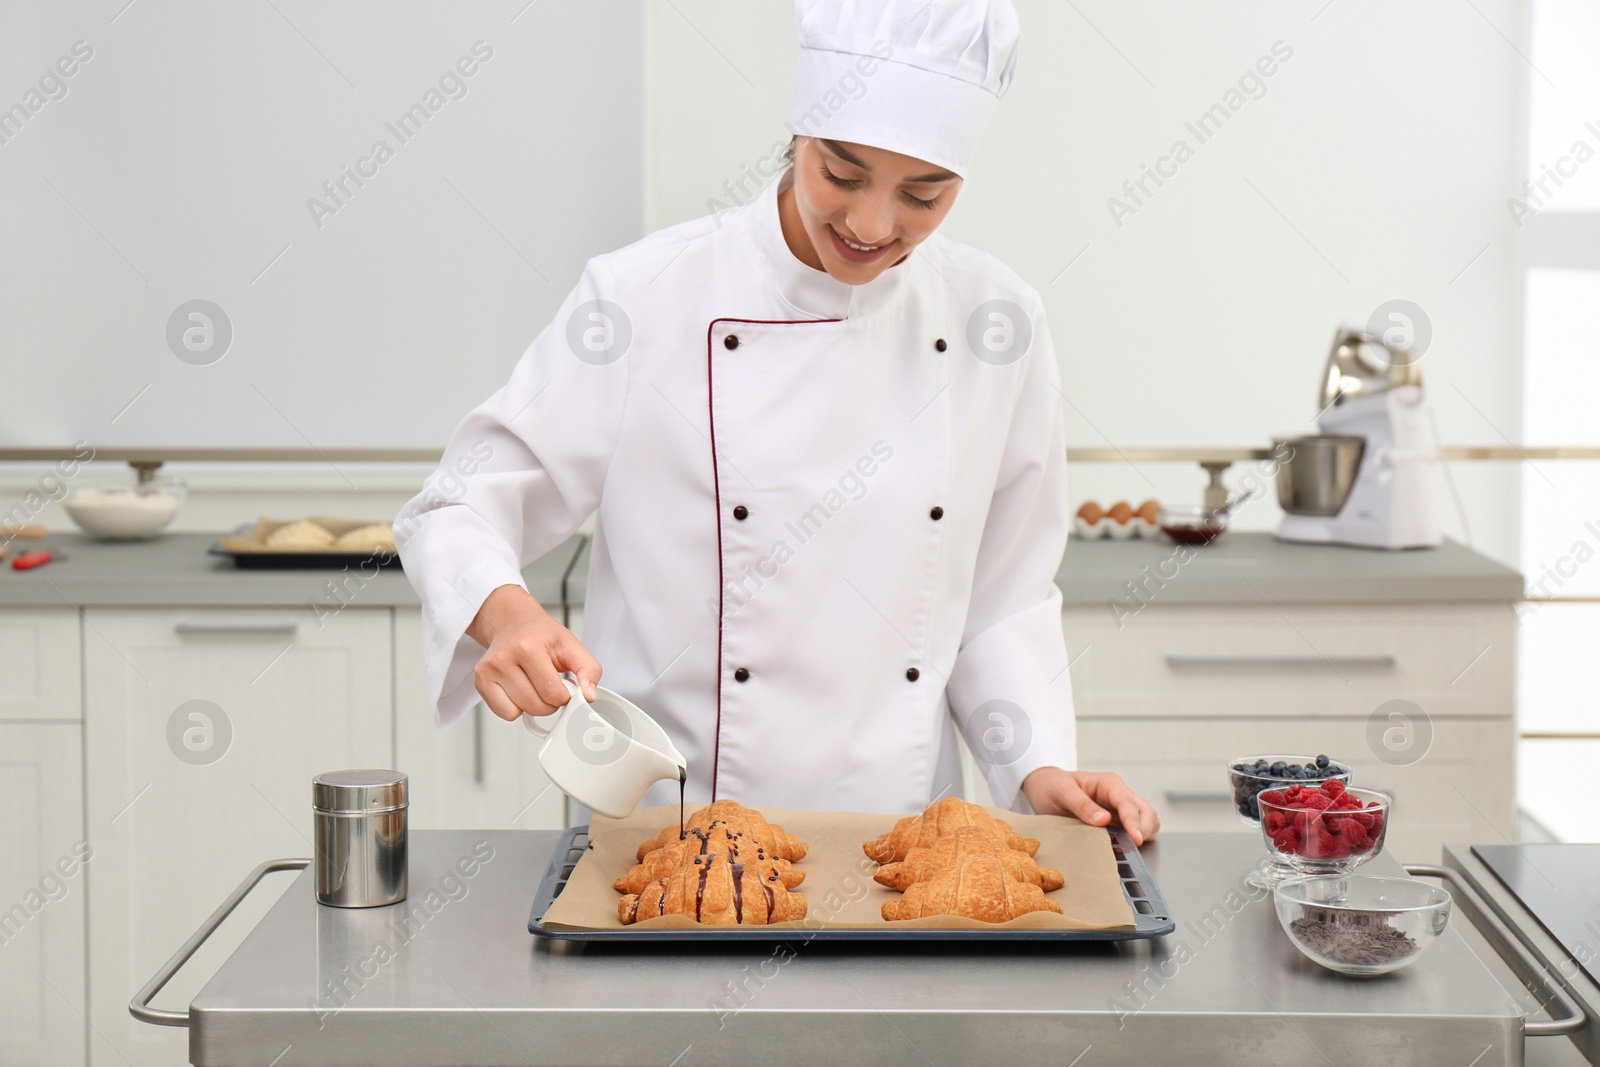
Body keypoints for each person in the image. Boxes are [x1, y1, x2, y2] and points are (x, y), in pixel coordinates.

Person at [397, 0, 1160, 844]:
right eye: (841, 172)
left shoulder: (997, 321)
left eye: (924, 193)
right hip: (672, 841)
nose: (871, 225)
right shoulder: (644, 297)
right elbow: (456, 507)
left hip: (897, 845)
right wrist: (507, 616)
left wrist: (1038, 766)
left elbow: (1003, 602)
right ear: (798, 133)